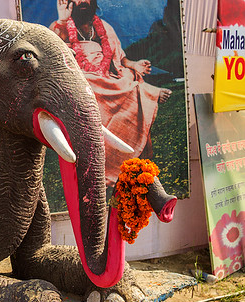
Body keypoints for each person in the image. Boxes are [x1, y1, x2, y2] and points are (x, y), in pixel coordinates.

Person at [50, 0, 172, 187]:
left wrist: (134, 64)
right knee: (91, 84)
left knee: (129, 75)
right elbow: (50, 54)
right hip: (84, 81)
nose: (82, 1)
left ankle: (144, 94)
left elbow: (120, 58)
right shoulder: (61, 27)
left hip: (107, 76)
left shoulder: (104, 27)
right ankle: (148, 93)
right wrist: (61, 21)